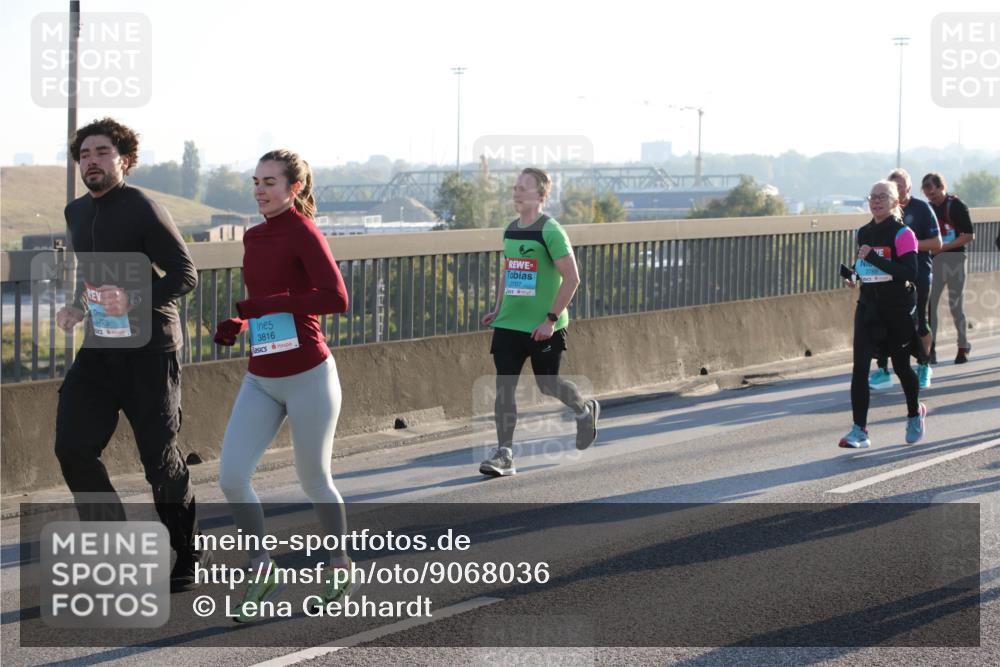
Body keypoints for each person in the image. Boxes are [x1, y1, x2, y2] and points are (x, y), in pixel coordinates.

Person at [54, 117, 208, 592]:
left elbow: (185, 275)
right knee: (73, 446)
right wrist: (80, 306)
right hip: (100, 348)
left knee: (159, 460)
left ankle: (185, 550)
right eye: (84, 155)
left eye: (101, 152)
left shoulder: (143, 207)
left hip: (149, 350)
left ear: (123, 159)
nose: (91, 161)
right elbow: (97, 275)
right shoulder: (76, 212)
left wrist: (135, 299)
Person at [214, 149, 352, 622]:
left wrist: (268, 303)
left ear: (293, 188)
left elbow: (336, 297)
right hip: (262, 377)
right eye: (255, 181)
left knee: (314, 479)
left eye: (270, 182)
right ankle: (261, 569)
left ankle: (338, 567)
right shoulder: (253, 237)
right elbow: (264, 304)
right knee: (231, 477)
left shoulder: (303, 231)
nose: (259, 190)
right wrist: (239, 321)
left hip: (310, 376)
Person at [479, 167, 599, 476]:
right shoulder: (511, 230)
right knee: (504, 387)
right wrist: (498, 309)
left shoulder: (551, 231)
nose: (516, 192)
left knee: (548, 384)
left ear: (541, 196)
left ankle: (584, 410)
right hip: (510, 324)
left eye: (523, 188)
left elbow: (572, 279)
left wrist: (550, 320)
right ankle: (504, 453)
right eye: (515, 187)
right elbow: (508, 273)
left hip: (544, 326)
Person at [839, 180, 926, 449]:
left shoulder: (903, 234)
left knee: (901, 367)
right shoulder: (863, 232)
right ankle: (859, 431)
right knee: (860, 368)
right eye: (872, 196)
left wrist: (873, 260)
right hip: (868, 307)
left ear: (895, 201)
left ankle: (914, 413)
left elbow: (910, 273)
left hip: (897, 309)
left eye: (883, 197)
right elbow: (864, 265)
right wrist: (853, 275)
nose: (876, 201)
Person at [868, 169, 941, 391]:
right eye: (892, 187)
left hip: (917, 273)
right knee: (882, 321)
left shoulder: (922, 209)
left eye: (900, 187)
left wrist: (908, 246)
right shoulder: (882, 215)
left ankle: (924, 364)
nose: (895, 190)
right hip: (889, 276)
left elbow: (937, 243)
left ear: (907, 189)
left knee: (918, 320)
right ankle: (882, 368)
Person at [922, 172, 975, 364]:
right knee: (930, 306)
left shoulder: (956, 206)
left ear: (942, 187)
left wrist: (943, 247)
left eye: (934, 191)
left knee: (955, 306)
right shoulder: (926, 210)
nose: (931, 196)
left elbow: (968, 235)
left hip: (955, 259)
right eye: (927, 193)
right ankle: (931, 350)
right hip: (934, 262)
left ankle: (963, 346)